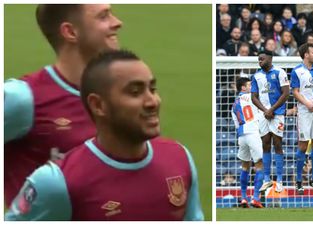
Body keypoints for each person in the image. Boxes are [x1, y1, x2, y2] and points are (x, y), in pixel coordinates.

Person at [6, 50, 204, 220]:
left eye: (152, 89)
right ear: (98, 105)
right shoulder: (58, 182)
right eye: (135, 92)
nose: (152, 101)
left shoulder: (179, 158)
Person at [4, 4, 122, 206]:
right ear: (70, 31)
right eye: (103, 16)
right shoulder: (22, 98)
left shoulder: (120, 95)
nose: (117, 22)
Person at [290, 43, 313, 197]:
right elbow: (295, 91)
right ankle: (299, 181)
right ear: (306, 55)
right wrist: (307, 103)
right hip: (305, 111)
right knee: (303, 145)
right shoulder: (297, 71)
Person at [251, 50, 289, 193]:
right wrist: (265, 110)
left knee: (277, 143)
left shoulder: (280, 73)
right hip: (263, 115)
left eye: (262, 59)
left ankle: (279, 180)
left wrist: (272, 109)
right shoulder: (256, 76)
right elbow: (254, 96)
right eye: (259, 59)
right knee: (265, 143)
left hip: (277, 114)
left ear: (270, 58)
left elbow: (286, 93)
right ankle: (267, 179)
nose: (260, 61)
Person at [231, 77, 264, 208]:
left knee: (245, 166)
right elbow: (261, 113)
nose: (252, 87)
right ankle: (256, 197)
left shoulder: (234, 103)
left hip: (241, 136)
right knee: (260, 165)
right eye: (249, 85)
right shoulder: (253, 98)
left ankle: (244, 197)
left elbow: (236, 123)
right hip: (253, 133)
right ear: (243, 88)